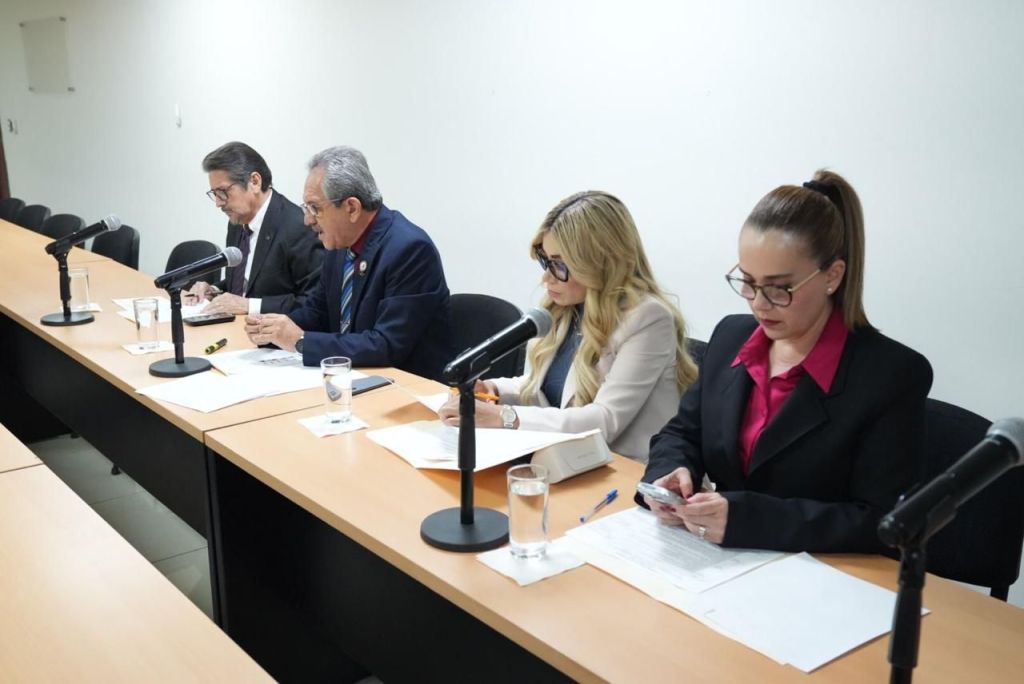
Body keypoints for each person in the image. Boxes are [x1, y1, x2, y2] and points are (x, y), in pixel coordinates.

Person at [639, 170, 933, 553]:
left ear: (832, 276)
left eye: (779, 288)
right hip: (711, 560)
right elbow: (682, 433)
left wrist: (747, 519)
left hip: (818, 572)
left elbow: (881, 520)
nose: (759, 303)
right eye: (748, 282)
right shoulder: (731, 337)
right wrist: (670, 474)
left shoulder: (891, 375)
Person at [438, 191, 698, 463]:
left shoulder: (648, 318)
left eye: (559, 265)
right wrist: (493, 390)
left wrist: (504, 417)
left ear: (599, 263)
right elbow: (548, 388)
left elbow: (605, 420)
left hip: (629, 471)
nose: (547, 277)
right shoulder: (565, 308)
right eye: (546, 261)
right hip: (570, 461)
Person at [244, 146, 453, 380]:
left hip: (406, 386)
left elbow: (386, 345)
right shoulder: (340, 243)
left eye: (315, 208)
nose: (307, 220)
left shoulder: (409, 249)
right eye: (306, 207)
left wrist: (300, 341)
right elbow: (317, 312)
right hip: (352, 378)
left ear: (351, 208)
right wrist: (273, 330)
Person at [188, 141, 323, 314]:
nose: (218, 203)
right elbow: (246, 283)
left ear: (255, 181)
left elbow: (311, 302)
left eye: (223, 192)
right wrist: (213, 290)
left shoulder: (298, 226)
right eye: (215, 194)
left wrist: (249, 306)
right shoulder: (237, 223)